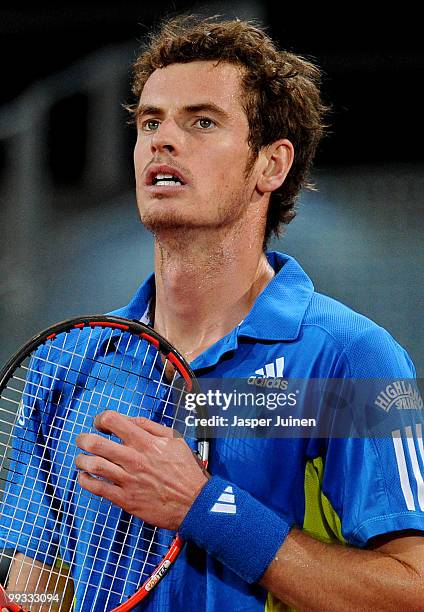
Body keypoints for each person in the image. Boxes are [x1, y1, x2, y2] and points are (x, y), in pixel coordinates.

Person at [2, 15, 424, 611]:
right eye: (151, 122)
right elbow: (39, 585)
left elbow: (412, 590)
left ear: (271, 165)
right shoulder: (66, 364)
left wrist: (206, 507)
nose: (162, 140)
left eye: (201, 121)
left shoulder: (358, 362)